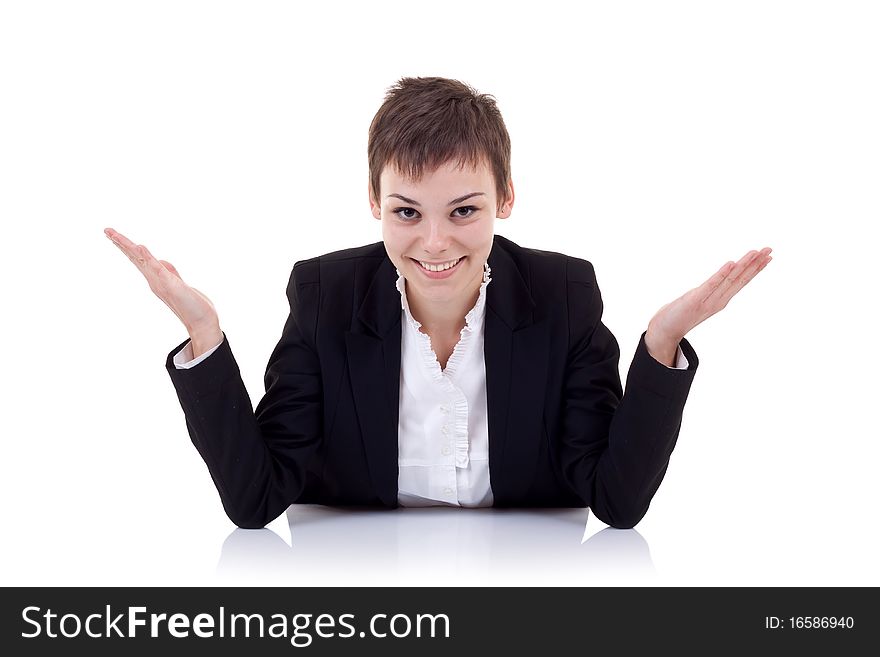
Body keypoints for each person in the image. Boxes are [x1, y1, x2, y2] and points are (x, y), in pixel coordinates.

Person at [105, 76, 772, 530]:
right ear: (375, 202)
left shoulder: (564, 295)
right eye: (406, 211)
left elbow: (616, 502)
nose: (434, 241)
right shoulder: (324, 296)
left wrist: (659, 345)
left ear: (505, 199)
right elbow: (255, 500)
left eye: (464, 210)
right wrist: (203, 335)